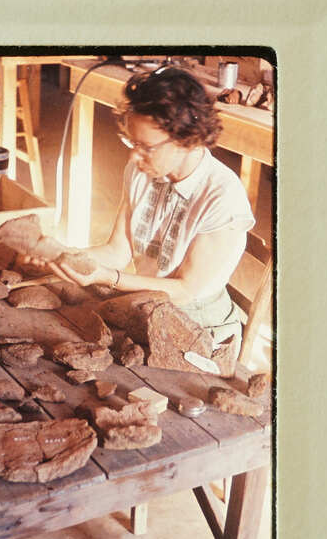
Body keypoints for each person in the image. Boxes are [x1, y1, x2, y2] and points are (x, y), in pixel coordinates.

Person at [43, 65, 255, 358]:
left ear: (187, 139)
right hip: (146, 304)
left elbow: (184, 290)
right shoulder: (141, 171)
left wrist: (108, 278)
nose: (133, 155)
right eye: (131, 142)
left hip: (202, 329)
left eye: (145, 147)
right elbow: (118, 251)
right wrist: (63, 255)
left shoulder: (222, 197)